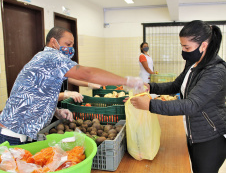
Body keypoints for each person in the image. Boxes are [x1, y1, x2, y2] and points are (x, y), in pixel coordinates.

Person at [0, 26, 144, 145]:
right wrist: (127, 81)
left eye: (72, 45)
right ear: (53, 42)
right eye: (68, 44)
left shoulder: (44, 58)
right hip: (13, 135)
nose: (70, 49)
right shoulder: (51, 57)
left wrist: (55, 111)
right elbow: (87, 73)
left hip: (22, 133)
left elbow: (38, 93)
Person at [130, 20, 226, 173]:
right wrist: (150, 87)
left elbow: (191, 104)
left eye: (187, 47)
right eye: (182, 46)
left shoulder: (216, 71)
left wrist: (150, 105)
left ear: (203, 45)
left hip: (210, 138)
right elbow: (176, 86)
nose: (183, 51)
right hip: (193, 133)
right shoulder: (193, 63)